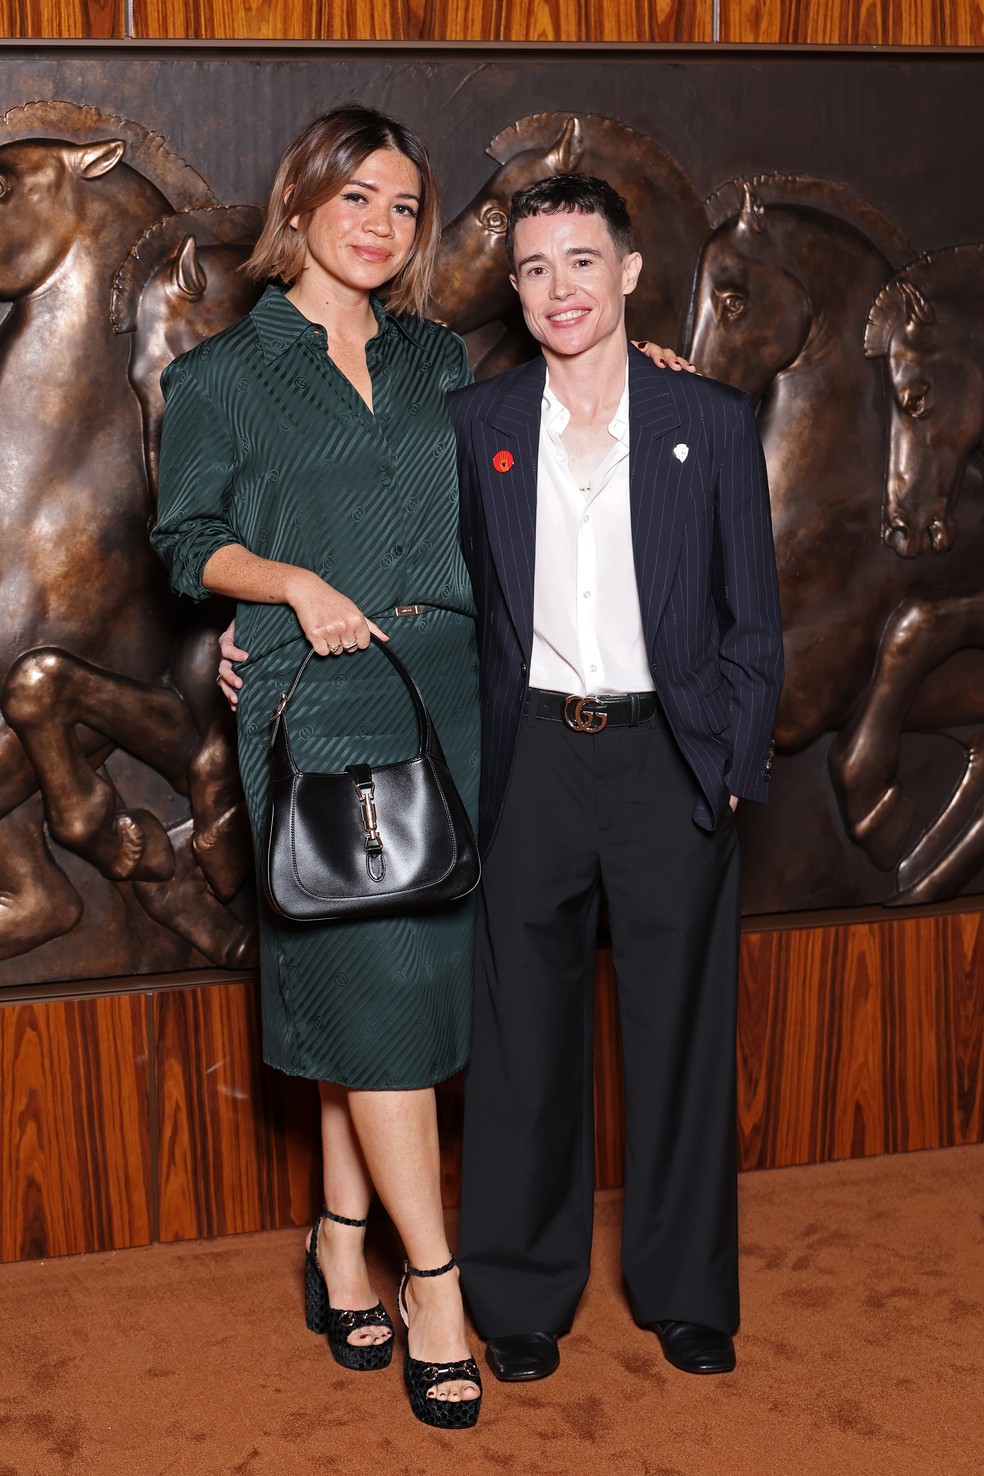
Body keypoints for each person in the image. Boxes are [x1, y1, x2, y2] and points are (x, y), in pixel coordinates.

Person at [151, 105, 485, 1429]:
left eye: (404, 207)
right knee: (380, 978)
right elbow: (188, 542)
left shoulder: (438, 355)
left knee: (397, 995)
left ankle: (340, 1241)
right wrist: (288, 584)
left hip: (451, 688)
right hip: (323, 697)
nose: (382, 226)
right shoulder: (224, 375)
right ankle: (436, 1284)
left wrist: (630, 359)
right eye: (358, 197)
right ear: (300, 204)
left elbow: (525, 464)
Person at [447, 174, 783, 1383]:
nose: (560, 290)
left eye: (582, 261)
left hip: (668, 759)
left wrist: (729, 762)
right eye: (536, 269)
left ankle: (687, 1293)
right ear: (516, 287)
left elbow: (755, 621)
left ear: (630, 272)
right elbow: (424, 587)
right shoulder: (474, 422)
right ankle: (520, 1296)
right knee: (521, 1043)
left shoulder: (712, 421)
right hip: (530, 756)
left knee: (681, 1037)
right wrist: (262, 629)